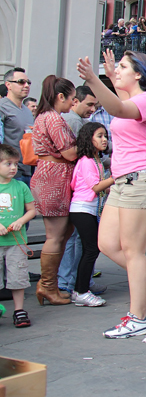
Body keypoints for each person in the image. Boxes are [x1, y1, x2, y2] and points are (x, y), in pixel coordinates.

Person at [77, 49, 146, 339]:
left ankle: (139, 318)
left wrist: (95, 80)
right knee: (106, 243)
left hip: (143, 180)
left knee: (133, 251)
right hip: (123, 182)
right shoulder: (130, 99)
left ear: (139, 74)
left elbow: (119, 111)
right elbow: (120, 105)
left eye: (122, 66)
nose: (117, 69)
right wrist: (109, 78)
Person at [31, 75, 78, 306]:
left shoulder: (43, 116)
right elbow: (70, 153)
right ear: (60, 97)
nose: (73, 104)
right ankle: (47, 286)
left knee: (61, 234)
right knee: (56, 236)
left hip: (49, 175)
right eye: (71, 99)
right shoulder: (54, 119)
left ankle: (48, 285)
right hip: (55, 177)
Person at [57, 84, 99, 296]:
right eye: (89, 104)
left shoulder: (77, 120)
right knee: (77, 241)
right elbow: (74, 153)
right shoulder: (72, 121)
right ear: (76, 101)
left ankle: (74, 281)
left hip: (79, 192)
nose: (92, 109)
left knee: (78, 241)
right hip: (81, 195)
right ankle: (71, 282)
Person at [68, 123, 114, 307]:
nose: (104, 140)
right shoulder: (86, 161)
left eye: (105, 136)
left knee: (91, 249)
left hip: (90, 209)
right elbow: (95, 187)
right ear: (89, 139)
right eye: (100, 136)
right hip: (82, 209)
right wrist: (115, 177)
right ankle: (80, 292)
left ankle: (82, 287)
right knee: (91, 249)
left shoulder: (95, 160)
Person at [0, 144, 36, 327]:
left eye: (15, 163)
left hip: (17, 241)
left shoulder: (21, 186)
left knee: (17, 276)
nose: (13, 167)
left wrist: (21, 221)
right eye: (8, 163)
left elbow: (31, 210)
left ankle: (19, 310)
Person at [0, 68, 35, 186]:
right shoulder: (2, 107)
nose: (26, 86)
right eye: (21, 82)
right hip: (8, 173)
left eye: (28, 82)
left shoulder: (27, 111)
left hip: (28, 171)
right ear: (8, 85)